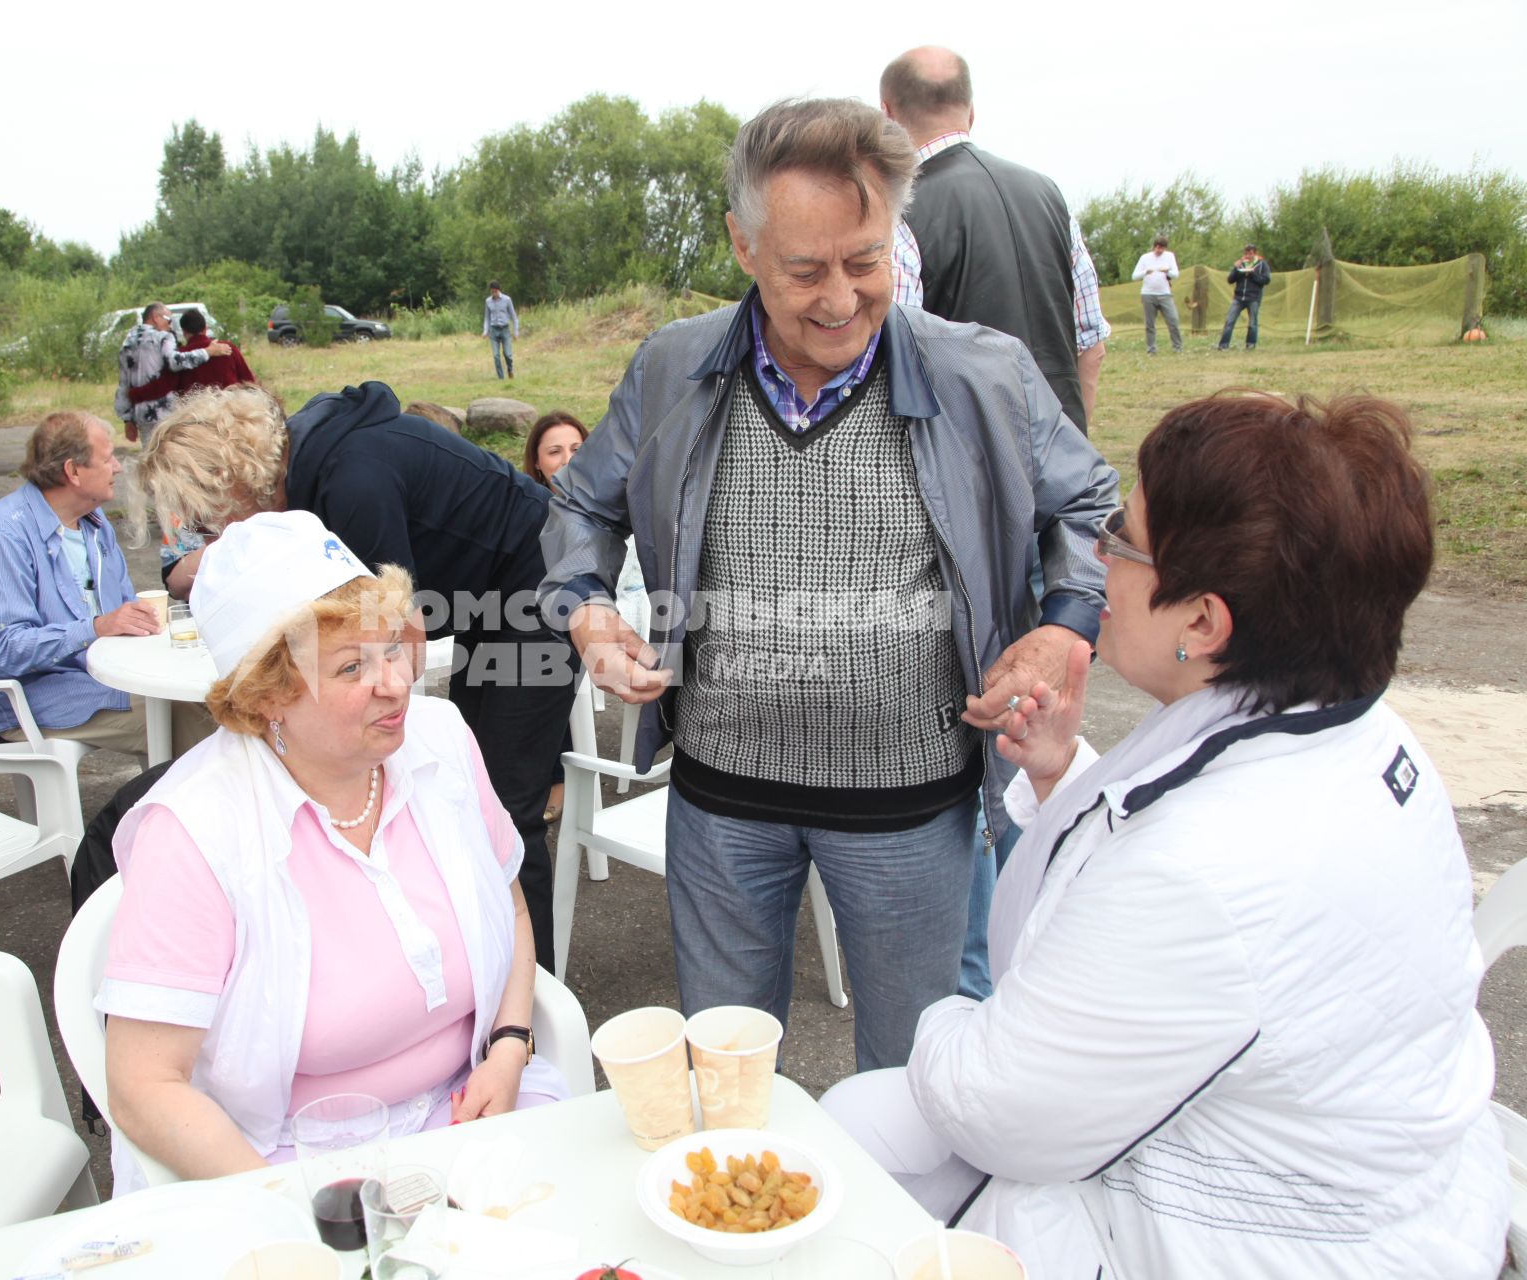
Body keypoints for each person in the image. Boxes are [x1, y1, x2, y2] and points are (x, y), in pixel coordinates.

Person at [821, 392, 1507, 1279]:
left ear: (1202, 622)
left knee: (854, 1143)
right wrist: (1061, 774)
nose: (1097, 557)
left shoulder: (1210, 872)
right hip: (1379, 1165)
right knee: (865, 1118)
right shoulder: (1361, 737)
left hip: (1268, 1239)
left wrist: (949, 1018)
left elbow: (1000, 1107)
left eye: (1121, 537)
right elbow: (1172, 845)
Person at [540, 98, 1117, 1072]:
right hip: (721, 803)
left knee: (913, 1080)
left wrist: (1067, 621)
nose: (841, 297)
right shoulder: (674, 366)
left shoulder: (983, 371)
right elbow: (581, 506)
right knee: (725, 1075)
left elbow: (1090, 503)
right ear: (743, 244)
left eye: (866, 258)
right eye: (806, 269)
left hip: (912, 808)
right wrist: (588, 608)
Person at [99, 511, 568, 1194]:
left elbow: (512, 907)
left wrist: (508, 1047)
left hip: (475, 1106)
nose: (397, 683)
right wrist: (286, 1207)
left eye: (392, 648)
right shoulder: (198, 829)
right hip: (290, 1163)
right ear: (266, 701)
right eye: (353, 666)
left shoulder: (438, 739)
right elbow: (143, 1087)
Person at [131, 386, 580, 974]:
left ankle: (530, 1003)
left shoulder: (350, 481)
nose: (221, 528)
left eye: (214, 511)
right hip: (487, 594)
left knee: (502, 800)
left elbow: (399, 641)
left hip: (541, 584)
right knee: (471, 782)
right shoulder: (314, 459)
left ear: (234, 480)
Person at [0, 411, 208, 759]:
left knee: (212, 697)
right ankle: (183, 811)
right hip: (29, 697)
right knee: (184, 717)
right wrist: (96, 628)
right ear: (73, 471)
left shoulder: (92, 522)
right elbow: (3, 652)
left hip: (93, 675)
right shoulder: (3, 535)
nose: (118, 467)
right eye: (107, 459)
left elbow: (123, 611)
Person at [880, 46, 1109, 431]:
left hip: (965, 458)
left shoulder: (899, 209)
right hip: (1062, 450)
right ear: (970, 111)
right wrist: (1073, 447)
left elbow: (895, 355)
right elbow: (1091, 345)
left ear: (887, 114)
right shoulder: (1049, 194)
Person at [521, 411, 589, 823]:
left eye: (577, 450)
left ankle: (557, 776)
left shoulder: (611, 499)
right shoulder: (529, 506)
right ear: (537, 464)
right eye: (555, 451)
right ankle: (543, 770)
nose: (566, 459)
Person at [113, 303, 235, 444]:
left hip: (142, 414)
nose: (170, 325)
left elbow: (123, 384)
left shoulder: (127, 342)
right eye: (168, 320)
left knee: (150, 456)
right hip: (165, 412)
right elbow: (175, 362)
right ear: (155, 317)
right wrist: (208, 352)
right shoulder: (163, 337)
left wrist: (127, 419)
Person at [175, 309, 255, 392]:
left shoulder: (179, 357)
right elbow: (249, 382)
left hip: (194, 404)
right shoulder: (229, 348)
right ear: (205, 329)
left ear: (184, 332)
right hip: (230, 403)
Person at [1133, 235, 1183, 354]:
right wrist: (1145, 272)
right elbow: (1134, 276)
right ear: (1154, 246)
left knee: (1173, 320)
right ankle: (1151, 349)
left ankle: (1177, 347)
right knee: (1150, 324)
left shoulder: (1170, 256)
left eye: (1161, 248)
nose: (1158, 250)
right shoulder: (1145, 258)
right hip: (1148, 294)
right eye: (1157, 247)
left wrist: (1167, 271)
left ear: (1165, 248)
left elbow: (1176, 274)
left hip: (1164, 293)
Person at [1219, 243, 1273, 350]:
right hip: (1238, 297)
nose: (1248, 256)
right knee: (1229, 321)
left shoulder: (1262, 264)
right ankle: (1223, 345)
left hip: (1253, 297)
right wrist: (1236, 269)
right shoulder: (1241, 264)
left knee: (1253, 323)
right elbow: (1230, 280)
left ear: (1255, 253)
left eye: (1250, 253)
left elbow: (1266, 280)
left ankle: (1250, 344)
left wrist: (1252, 274)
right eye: (1246, 253)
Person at [483, 280, 519, 379]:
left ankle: (510, 369)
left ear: (499, 290)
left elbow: (514, 317)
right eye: (492, 291)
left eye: (495, 291)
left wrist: (516, 332)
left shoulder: (507, 300)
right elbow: (487, 318)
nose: (493, 293)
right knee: (496, 356)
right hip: (494, 330)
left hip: (505, 329)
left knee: (507, 354)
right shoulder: (488, 301)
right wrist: (485, 331)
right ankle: (501, 378)